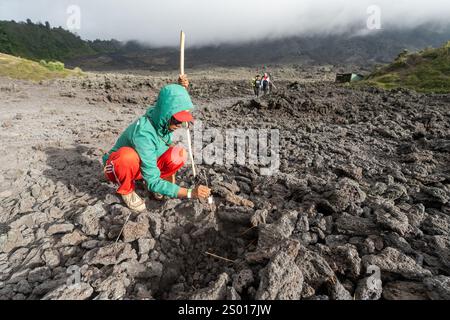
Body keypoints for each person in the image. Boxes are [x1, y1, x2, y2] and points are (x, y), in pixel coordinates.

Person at [102, 75, 211, 212]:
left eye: (184, 121)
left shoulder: (161, 118)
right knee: (127, 157)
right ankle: (127, 190)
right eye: (178, 120)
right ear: (166, 115)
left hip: (143, 163)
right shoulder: (144, 134)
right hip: (117, 167)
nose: (181, 125)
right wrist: (190, 193)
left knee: (179, 154)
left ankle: (156, 182)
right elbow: (153, 181)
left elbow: (169, 102)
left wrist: (181, 89)